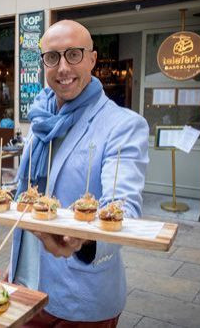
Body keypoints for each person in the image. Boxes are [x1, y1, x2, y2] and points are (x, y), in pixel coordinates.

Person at [9, 20, 149, 327]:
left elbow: (124, 208)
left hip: (80, 295)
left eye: (73, 54)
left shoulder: (123, 125)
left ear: (92, 59)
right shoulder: (41, 120)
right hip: (24, 282)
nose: (62, 68)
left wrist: (82, 239)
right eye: (52, 57)